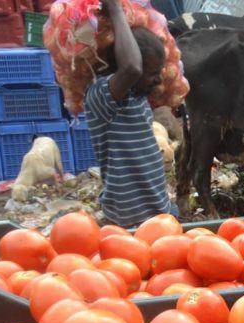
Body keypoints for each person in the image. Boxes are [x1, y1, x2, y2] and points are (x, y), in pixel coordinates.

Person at [82, 0, 173, 227]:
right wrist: (114, 9)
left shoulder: (137, 96)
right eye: (152, 72)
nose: (158, 79)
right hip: (128, 222)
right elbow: (132, 68)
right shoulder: (103, 96)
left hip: (158, 212)